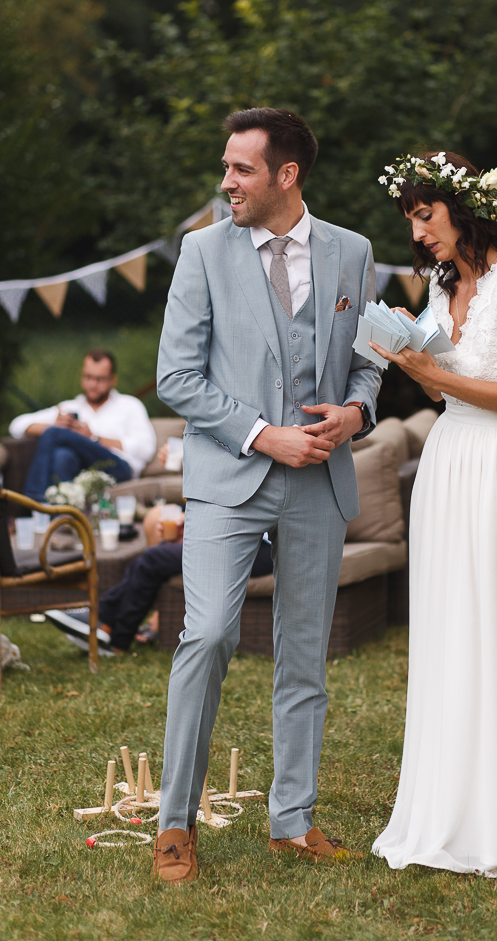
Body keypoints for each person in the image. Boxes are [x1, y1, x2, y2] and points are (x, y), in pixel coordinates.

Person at [153, 107, 380, 882]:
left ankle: (292, 820)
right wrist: (261, 434)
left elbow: (368, 359)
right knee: (208, 634)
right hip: (228, 479)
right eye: (226, 166)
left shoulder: (351, 251)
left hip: (319, 480)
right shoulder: (203, 251)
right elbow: (176, 377)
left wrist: (357, 411)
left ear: (286, 174)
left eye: (240, 168)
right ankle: (175, 823)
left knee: (304, 660)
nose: (226, 182)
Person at [371, 152, 497, 881]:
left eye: (424, 216)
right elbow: (439, 376)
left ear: (461, 207)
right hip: (448, 463)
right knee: (449, 628)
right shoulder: (442, 283)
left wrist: (428, 375)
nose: (418, 235)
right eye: (411, 220)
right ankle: (442, 805)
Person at [43, 506, 273, 654]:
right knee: (158, 553)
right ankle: (105, 621)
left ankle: (114, 636)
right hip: (240, 533)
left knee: (154, 558)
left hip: (262, 546)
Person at [9, 349, 156, 501]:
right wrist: (57, 425)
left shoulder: (130, 405)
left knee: (55, 434)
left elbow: (146, 449)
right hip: (81, 471)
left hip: (119, 468)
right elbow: (16, 426)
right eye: (88, 377)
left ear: (113, 380)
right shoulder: (71, 408)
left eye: (100, 379)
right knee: (62, 455)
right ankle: (63, 517)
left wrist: (93, 437)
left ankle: (32, 502)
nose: (92, 384)